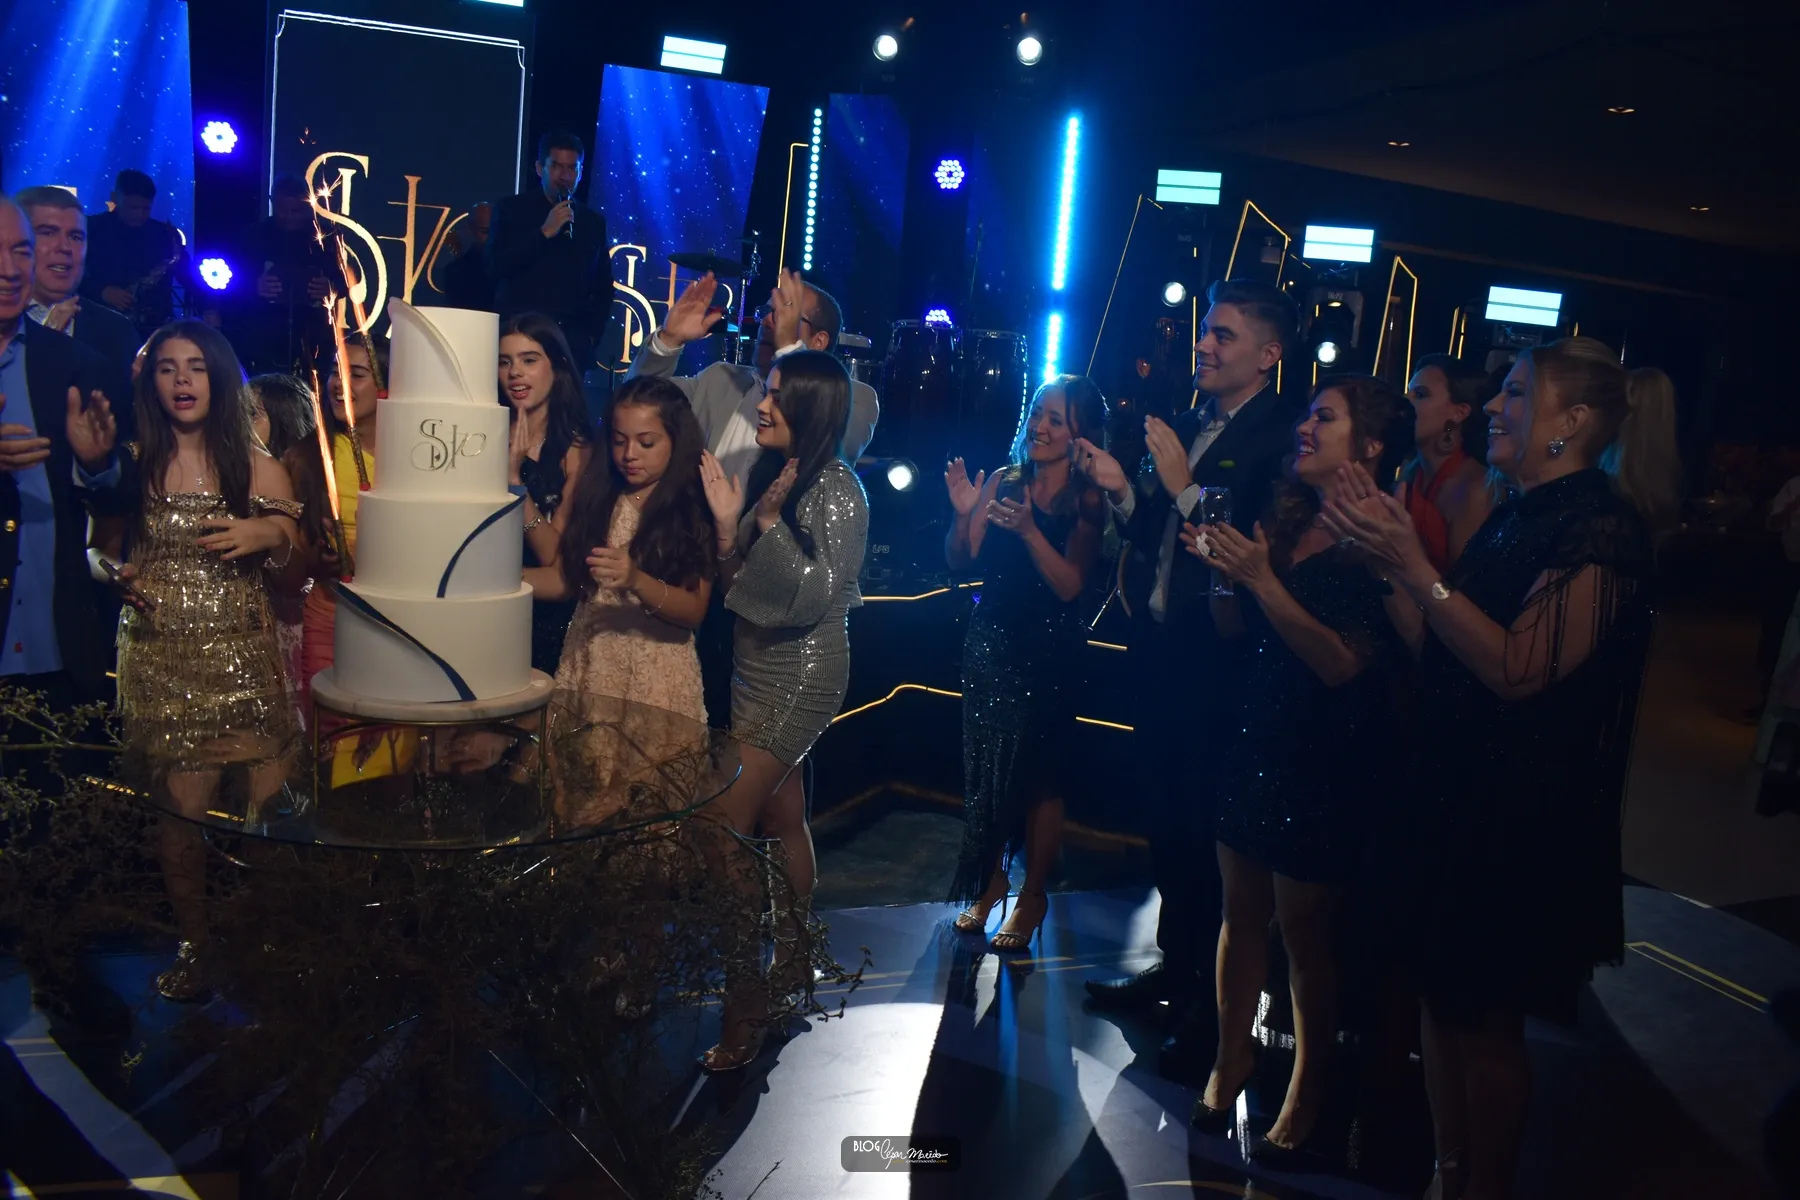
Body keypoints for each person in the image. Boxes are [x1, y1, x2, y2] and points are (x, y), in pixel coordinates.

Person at [1321, 337, 1679, 1200]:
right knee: (1441, 1003)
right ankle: (1448, 1173)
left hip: (1517, 817)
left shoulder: (1599, 530)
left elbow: (1520, 669)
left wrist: (1416, 568)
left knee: (1485, 1025)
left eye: (1515, 393)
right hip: (1454, 793)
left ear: (1572, 421)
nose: (1491, 407)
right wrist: (1388, 566)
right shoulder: (1518, 513)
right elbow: (1443, 649)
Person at [1074, 278, 1304, 1084]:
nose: (1203, 344)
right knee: (1168, 827)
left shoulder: (1282, 435)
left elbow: (1241, 547)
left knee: (1209, 846)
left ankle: (1210, 1016)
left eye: (1223, 335)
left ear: (1269, 355)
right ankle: (1174, 974)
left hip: (1223, 669)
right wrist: (1126, 491)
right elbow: (1164, 533)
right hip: (1165, 655)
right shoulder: (1198, 420)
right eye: (1207, 329)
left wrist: (1181, 487)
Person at [1183, 375, 1407, 1164]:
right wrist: (1223, 576)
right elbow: (1236, 629)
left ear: (1369, 446)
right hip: (1259, 732)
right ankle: (1230, 1060)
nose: (1305, 428)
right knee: (1239, 912)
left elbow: (1341, 664)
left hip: (1323, 754)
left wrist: (1260, 579)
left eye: (1325, 418)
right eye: (1307, 415)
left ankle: (1308, 1089)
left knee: (1307, 935)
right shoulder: (1289, 515)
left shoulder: (1376, 537)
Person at [102, 322, 302, 1001]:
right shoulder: (132, 463)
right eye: (167, 368)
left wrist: (269, 532)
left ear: (218, 377)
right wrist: (112, 574)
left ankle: (268, 942)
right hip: (163, 661)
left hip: (246, 659)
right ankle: (197, 946)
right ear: (151, 381)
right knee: (181, 819)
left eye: (195, 366)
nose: (182, 380)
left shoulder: (257, 466)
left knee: (269, 820)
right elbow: (97, 548)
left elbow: (296, 573)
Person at [696, 349, 869, 1071]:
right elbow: (737, 588)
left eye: (774, 395)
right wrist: (730, 527)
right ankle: (793, 964)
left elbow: (810, 597)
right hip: (754, 666)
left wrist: (765, 525)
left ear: (809, 408)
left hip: (802, 673)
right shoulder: (782, 472)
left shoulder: (839, 488)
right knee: (780, 815)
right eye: (764, 392)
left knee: (718, 828)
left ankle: (746, 1004)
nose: (761, 406)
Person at [633, 269, 881, 728]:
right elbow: (637, 410)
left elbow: (827, 439)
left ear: (819, 340)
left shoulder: (855, 397)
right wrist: (668, 342)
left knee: (752, 743)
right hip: (691, 581)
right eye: (767, 311)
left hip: (772, 612)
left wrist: (789, 355)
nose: (768, 321)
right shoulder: (720, 380)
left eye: (786, 312)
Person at [943, 376, 1107, 952]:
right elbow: (961, 559)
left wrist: (1032, 531)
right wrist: (964, 514)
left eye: (1056, 419)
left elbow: (1070, 586)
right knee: (987, 772)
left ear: (1080, 433)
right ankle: (990, 884)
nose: (1040, 426)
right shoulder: (1004, 480)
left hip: (1048, 653)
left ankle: (1033, 896)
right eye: (1038, 413)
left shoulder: (1087, 499)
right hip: (990, 644)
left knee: (1039, 778)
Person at [531, 376, 714, 809]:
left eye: (646, 442)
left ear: (676, 441)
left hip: (655, 679)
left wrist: (636, 580)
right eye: (619, 440)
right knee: (578, 806)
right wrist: (491, 582)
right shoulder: (601, 495)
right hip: (591, 665)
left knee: (647, 815)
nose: (629, 454)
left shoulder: (690, 508)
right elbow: (568, 580)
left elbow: (694, 610)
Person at [0, 194, 129, 706]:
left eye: (20, 251)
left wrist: (97, 466)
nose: (10, 269)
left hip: (56, 646)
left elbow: (119, 496)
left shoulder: (79, 362)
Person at [498, 314, 595, 674]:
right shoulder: (480, 433)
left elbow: (558, 561)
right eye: (504, 362)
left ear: (558, 367)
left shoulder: (578, 451)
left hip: (542, 622)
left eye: (529, 360)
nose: (515, 373)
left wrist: (515, 482)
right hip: (477, 610)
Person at [488, 132, 612, 372]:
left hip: (570, 346)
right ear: (539, 168)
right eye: (556, 166)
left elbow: (603, 286)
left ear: (581, 172)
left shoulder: (592, 222)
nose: (565, 176)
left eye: (572, 168)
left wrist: (590, 337)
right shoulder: (511, 210)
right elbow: (495, 266)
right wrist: (544, 233)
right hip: (520, 338)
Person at [17, 186, 137, 423]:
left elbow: (130, 426)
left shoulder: (117, 331)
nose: (64, 247)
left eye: (75, 237)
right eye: (47, 233)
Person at [1398, 353, 1499, 572]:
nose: (1405, 402)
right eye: (1408, 392)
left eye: (1420, 395)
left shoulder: (1475, 490)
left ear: (1459, 412)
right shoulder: (1411, 472)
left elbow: (1466, 586)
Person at [229, 175, 339, 375]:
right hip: (265, 334)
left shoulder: (326, 236)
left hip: (312, 333)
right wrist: (254, 286)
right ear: (272, 203)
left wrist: (330, 287)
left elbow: (345, 280)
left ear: (308, 205)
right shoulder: (253, 236)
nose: (289, 217)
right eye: (282, 210)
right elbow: (232, 282)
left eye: (296, 211)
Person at [80, 170, 185, 337]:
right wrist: (101, 291)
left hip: (154, 329)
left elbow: (187, 275)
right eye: (133, 208)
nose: (139, 215)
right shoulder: (89, 228)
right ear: (114, 198)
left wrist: (209, 306)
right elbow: (69, 275)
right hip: (99, 326)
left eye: (146, 208)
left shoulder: (165, 234)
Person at [442, 202, 495, 311]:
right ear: (471, 230)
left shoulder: (513, 268)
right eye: (485, 231)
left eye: (496, 230)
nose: (492, 237)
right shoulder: (455, 272)